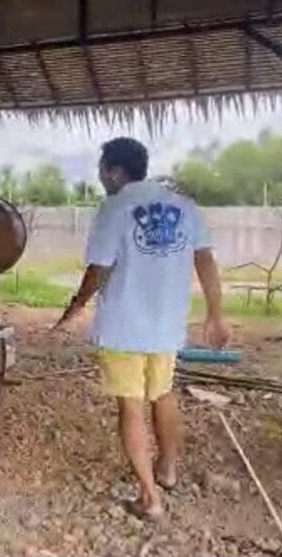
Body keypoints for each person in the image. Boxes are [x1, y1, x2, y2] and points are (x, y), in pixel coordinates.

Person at [54, 137, 229, 519]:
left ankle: (150, 498)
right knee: (163, 395)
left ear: (116, 171)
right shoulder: (184, 207)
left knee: (131, 406)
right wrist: (215, 314)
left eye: (103, 171)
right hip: (165, 326)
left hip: (123, 328)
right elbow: (205, 260)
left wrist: (76, 305)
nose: (101, 178)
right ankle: (167, 469)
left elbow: (98, 269)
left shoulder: (115, 208)